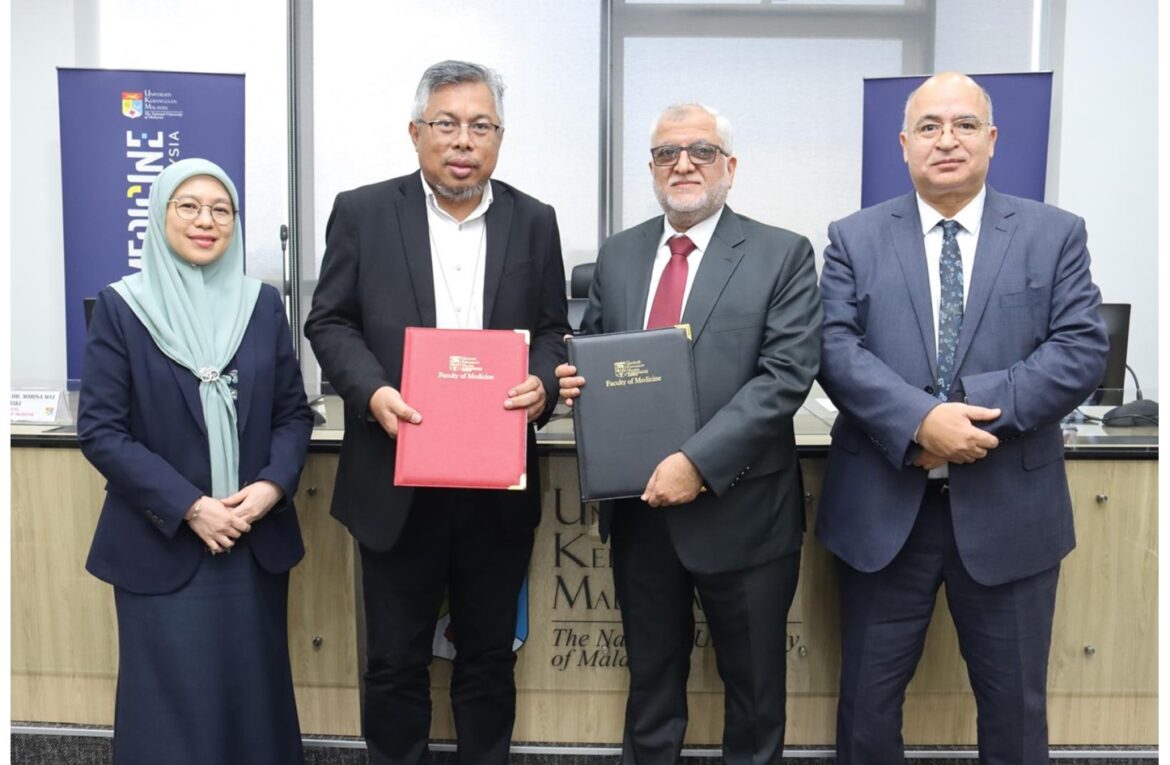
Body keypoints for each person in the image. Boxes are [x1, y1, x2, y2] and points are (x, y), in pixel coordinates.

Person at [816, 72, 1109, 763]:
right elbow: (832, 348)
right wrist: (921, 421)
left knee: (1015, 718)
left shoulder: (1054, 234)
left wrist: (966, 422)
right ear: (904, 144)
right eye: (929, 126)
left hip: (1011, 513)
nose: (946, 140)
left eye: (965, 124)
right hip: (882, 514)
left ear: (992, 139)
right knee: (865, 714)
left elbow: (1079, 350)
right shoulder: (853, 238)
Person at [303, 60, 569, 765]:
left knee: (488, 658)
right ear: (415, 131)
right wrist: (372, 392)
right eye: (446, 123)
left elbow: (552, 331)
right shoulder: (363, 212)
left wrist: (543, 384)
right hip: (396, 478)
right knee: (394, 661)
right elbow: (329, 321)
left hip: (496, 483)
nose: (463, 140)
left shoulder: (534, 220)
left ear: (500, 137)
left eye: (481, 125)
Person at [557, 103, 821, 764]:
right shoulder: (619, 255)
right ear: (651, 168)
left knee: (754, 699)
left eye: (701, 150)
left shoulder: (782, 253)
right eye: (666, 153)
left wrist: (695, 462)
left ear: (729, 166)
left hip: (743, 512)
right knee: (650, 694)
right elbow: (598, 351)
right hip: (641, 512)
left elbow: (784, 378)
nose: (683, 164)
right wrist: (575, 381)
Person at [77, 158, 314, 764]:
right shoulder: (123, 308)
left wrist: (272, 487)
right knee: (170, 721)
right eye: (188, 206)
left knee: (253, 713)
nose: (206, 221)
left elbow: (293, 414)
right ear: (160, 216)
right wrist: (189, 506)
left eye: (221, 209)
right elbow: (101, 431)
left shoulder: (262, 306)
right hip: (163, 547)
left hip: (252, 543)